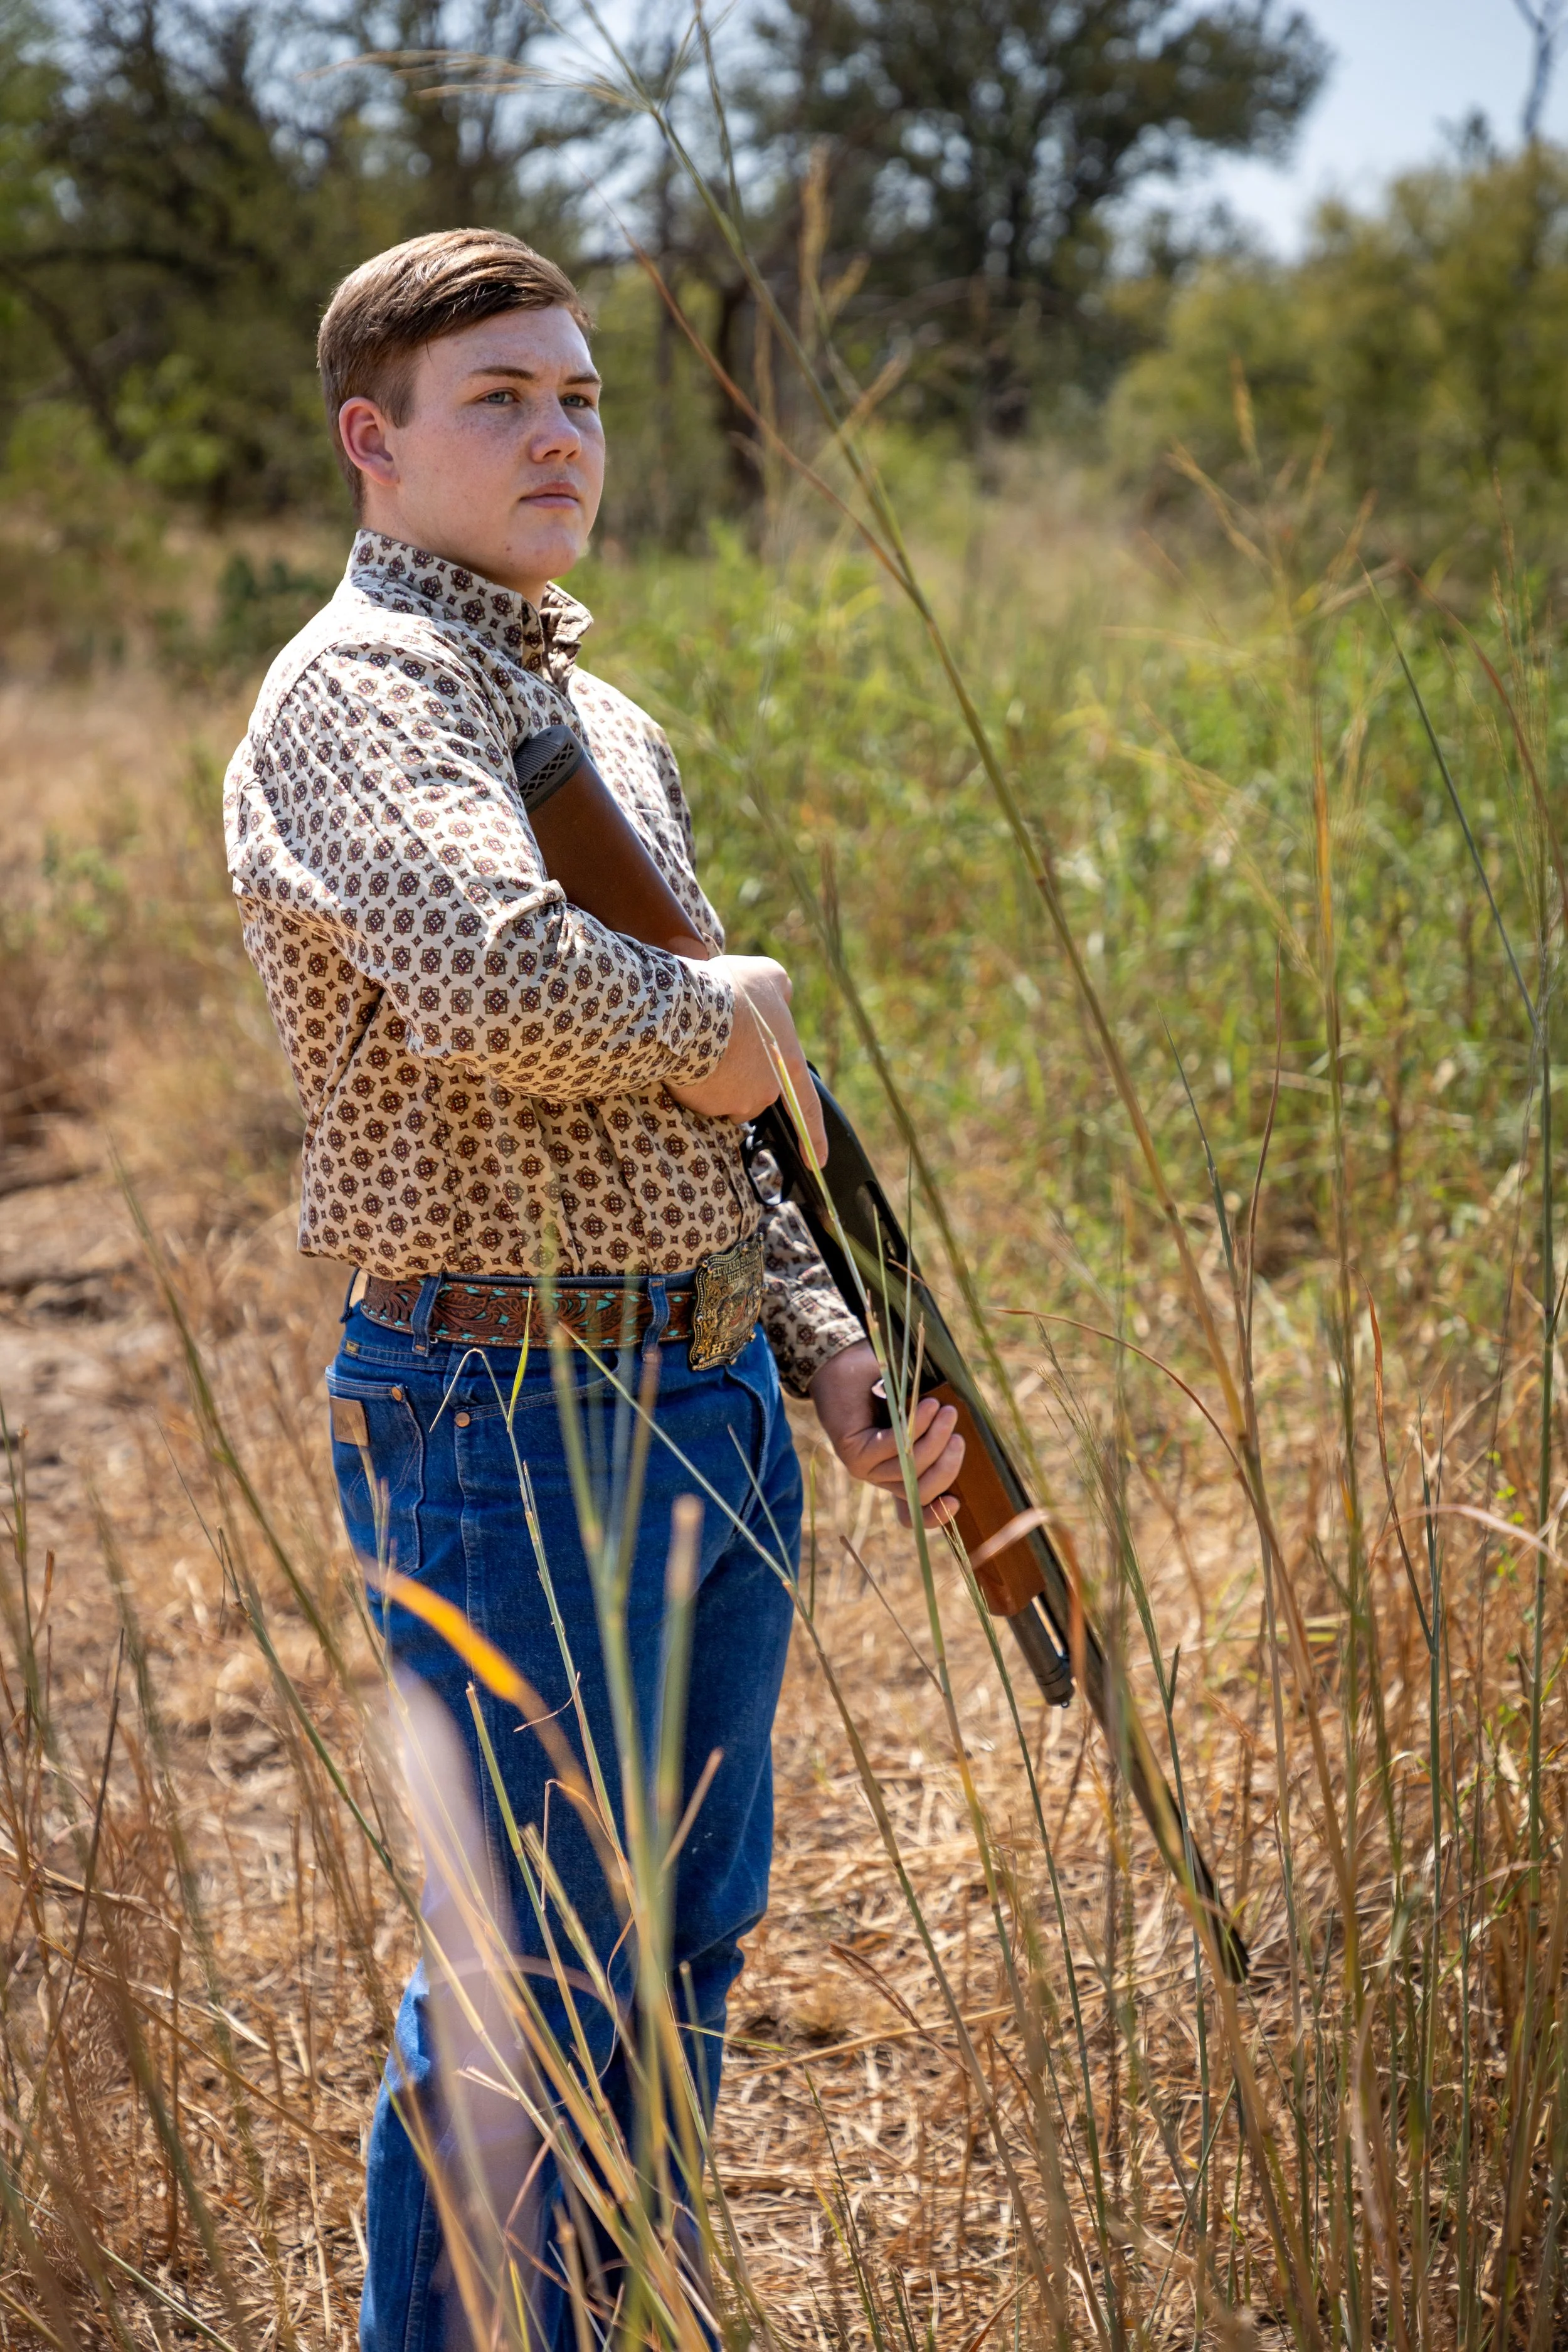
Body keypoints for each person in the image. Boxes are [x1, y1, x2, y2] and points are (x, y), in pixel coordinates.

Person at [223, 226, 965, 2351]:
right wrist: (714, 1007)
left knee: (678, 1957)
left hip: (707, 1392)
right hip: (504, 1410)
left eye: (580, 397)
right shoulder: (359, 692)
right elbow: (483, 978)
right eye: (499, 403)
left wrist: (827, 1338)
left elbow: (735, 1111)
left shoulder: (596, 710)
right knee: (535, 1979)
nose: (560, 434)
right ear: (376, 445)